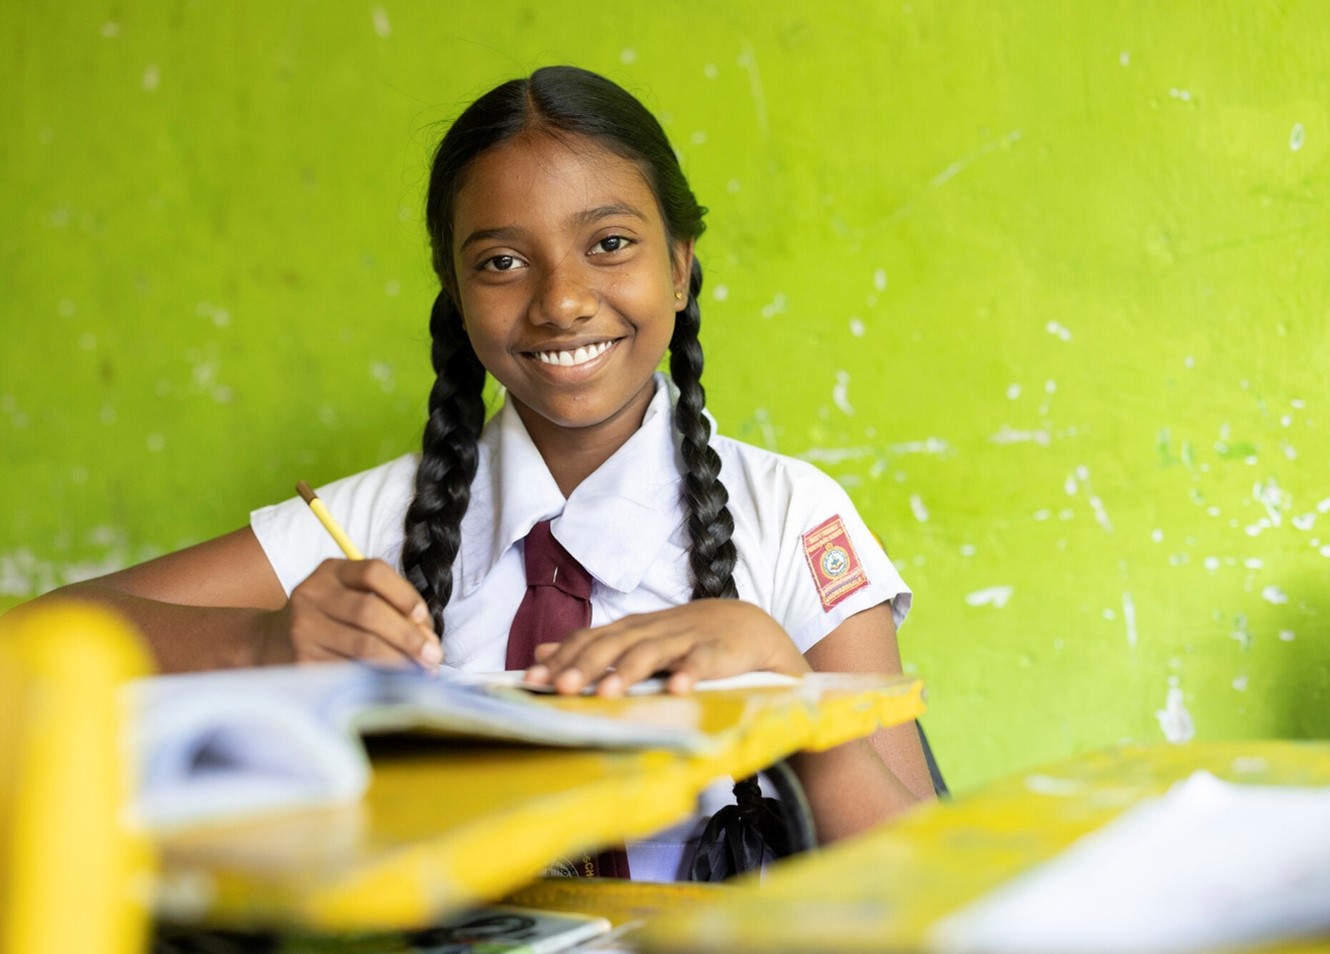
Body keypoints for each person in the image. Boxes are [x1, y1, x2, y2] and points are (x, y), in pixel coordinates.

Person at [18, 65, 934, 879]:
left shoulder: (791, 514)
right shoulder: (375, 520)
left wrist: (785, 688)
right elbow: (35, 644)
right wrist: (256, 649)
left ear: (682, 268)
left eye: (609, 243)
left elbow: (922, 878)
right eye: (501, 261)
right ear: (456, 300)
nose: (564, 300)